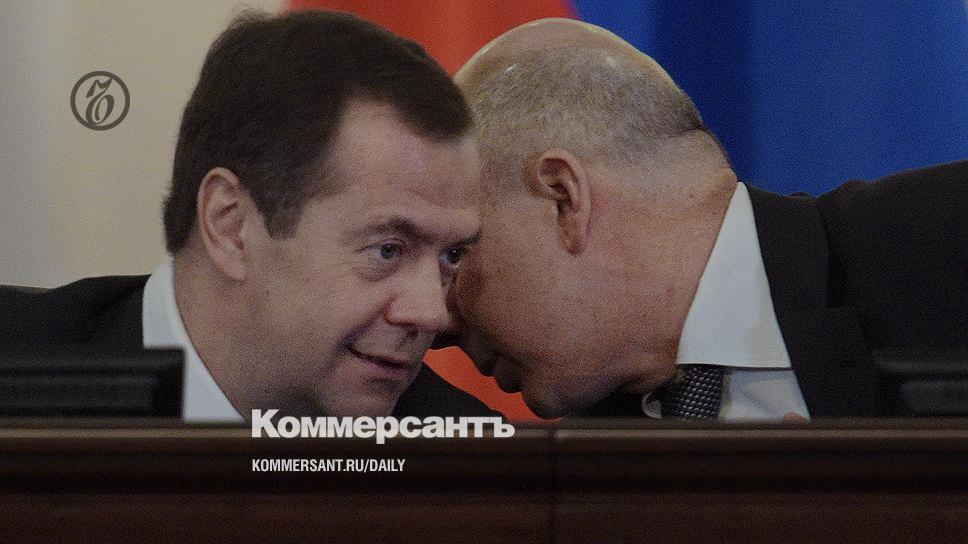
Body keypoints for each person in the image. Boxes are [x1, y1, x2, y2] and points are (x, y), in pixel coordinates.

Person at [448, 18, 968, 420]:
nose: (438, 316)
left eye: (454, 252)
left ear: (564, 199)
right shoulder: (581, 469)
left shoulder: (947, 237)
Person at [0, 10, 492, 420]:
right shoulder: (15, 372)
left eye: (451, 256)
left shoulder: (473, 462)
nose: (432, 312)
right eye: (388, 250)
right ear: (231, 225)